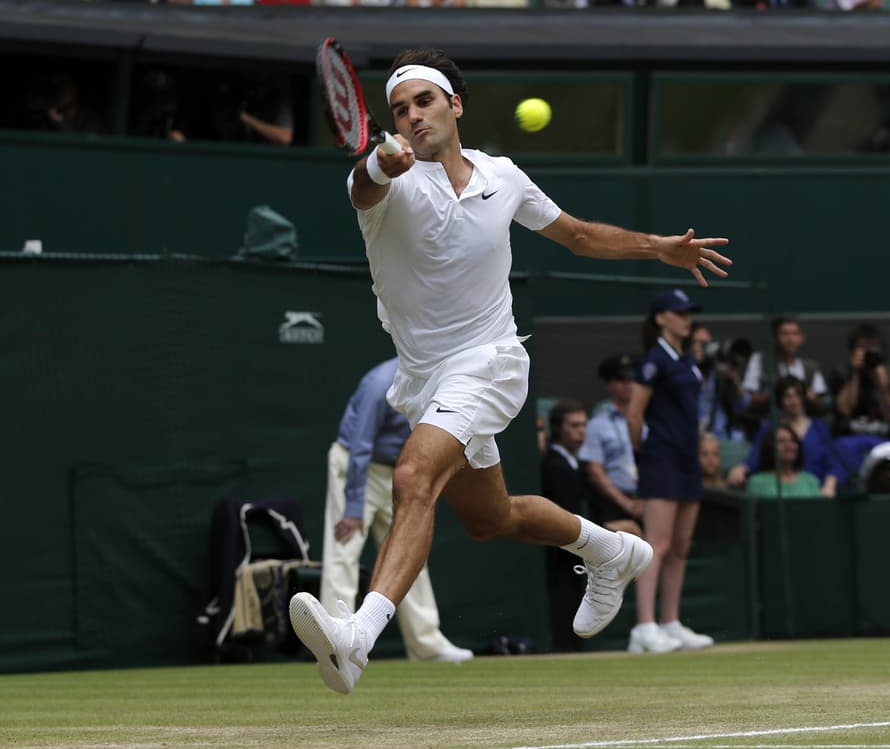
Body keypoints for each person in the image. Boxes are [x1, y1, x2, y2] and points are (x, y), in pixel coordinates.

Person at [288, 48, 730, 694]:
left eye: (425, 102)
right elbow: (364, 184)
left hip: (491, 363)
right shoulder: (388, 181)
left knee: (413, 474)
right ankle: (608, 550)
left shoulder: (503, 176)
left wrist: (658, 246)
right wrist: (378, 163)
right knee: (490, 518)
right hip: (425, 379)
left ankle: (357, 635)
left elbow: (577, 235)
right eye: (400, 109)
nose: (412, 117)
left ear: (455, 105)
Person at [320, 358, 473, 665]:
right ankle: (334, 645)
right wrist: (353, 507)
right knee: (344, 551)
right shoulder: (380, 383)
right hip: (356, 468)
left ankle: (426, 644)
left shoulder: (441, 381)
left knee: (409, 553)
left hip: (399, 471)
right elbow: (360, 445)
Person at [626, 289, 719, 654]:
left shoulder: (687, 361)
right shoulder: (653, 360)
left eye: (688, 313)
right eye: (678, 313)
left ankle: (670, 622)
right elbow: (635, 414)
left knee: (680, 546)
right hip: (660, 458)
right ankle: (644, 627)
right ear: (660, 318)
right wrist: (643, 453)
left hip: (687, 460)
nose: (686, 318)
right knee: (658, 544)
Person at [540, 399, 591, 652]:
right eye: (574, 425)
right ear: (558, 429)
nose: (581, 431)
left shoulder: (573, 463)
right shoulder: (554, 464)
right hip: (561, 551)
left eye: (583, 425)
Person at [728, 377, 837, 494]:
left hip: (815, 489)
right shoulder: (770, 428)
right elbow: (756, 457)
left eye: (797, 395)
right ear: (780, 400)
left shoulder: (819, 428)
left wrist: (830, 483)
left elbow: (833, 461)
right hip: (780, 490)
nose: (793, 401)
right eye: (787, 396)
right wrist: (742, 468)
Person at [581, 355, 645, 536]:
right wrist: (627, 503)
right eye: (621, 380)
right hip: (613, 503)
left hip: (650, 498)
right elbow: (595, 472)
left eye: (633, 379)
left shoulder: (650, 421)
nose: (629, 384)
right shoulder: (597, 424)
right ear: (609, 384)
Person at [831, 323, 890, 439]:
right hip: (849, 435)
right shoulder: (841, 372)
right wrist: (854, 373)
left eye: (872, 347)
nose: (867, 353)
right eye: (862, 348)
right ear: (853, 351)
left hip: (882, 435)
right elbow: (845, 410)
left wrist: (882, 385)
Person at [745, 424, 824, 498]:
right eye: (781, 441)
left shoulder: (810, 480)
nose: (789, 446)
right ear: (769, 447)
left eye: (793, 441)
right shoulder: (757, 483)